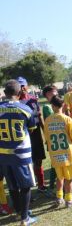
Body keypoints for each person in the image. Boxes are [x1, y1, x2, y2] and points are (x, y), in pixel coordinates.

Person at [0, 80, 37, 225]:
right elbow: (32, 128)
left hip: (3, 154)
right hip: (21, 153)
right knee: (26, 185)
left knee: (12, 185)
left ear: (5, 92)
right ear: (18, 92)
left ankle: (19, 211)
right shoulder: (25, 109)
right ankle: (24, 218)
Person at [44, 95, 72, 207]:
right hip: (67, 154)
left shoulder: (47, 120)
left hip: (55, 155)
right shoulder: (67, 119)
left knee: (59, 177)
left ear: (52, 106)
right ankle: (69, 199)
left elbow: (47, 139)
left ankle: (59, 197)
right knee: (68, 178)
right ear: (63, 105)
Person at [17, 77, 48, 194]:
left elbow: (39, 117)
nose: (22, 88)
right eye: (19, 86)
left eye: (23, 85)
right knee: (25, 162)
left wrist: (45, 133)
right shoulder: (16, 102)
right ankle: (27, 187)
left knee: (38, 160)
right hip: (23, 136)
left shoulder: (33, 100)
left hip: (36, 134)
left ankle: (41, 185)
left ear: (27, 86)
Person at [42, 85, 59, 190]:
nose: (56, 93)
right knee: (54, 163)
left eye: (56, 91)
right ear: (47, 95)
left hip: (62, 137)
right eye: (53, 92)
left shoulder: (60, 103)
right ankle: (52, 185)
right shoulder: (47, 107)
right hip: (53, 139)